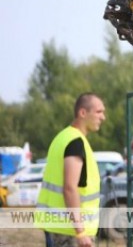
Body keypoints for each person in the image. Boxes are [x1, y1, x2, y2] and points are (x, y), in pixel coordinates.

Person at [36, 93, 106, 247]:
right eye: (99, 112)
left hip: (60, 227)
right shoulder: (75, 142)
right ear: (82, 113)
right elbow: (69, 188)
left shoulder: (62, 137)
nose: (103, 117)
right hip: (71, 232)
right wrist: (80, 232)